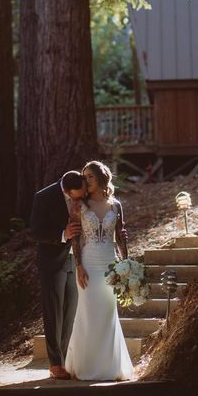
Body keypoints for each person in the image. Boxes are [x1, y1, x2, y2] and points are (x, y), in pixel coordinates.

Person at [65, 160, 134, 381]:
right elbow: (75, 237)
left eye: (90, 176)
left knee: (107, 315)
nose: (85, 181)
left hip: (110, 264)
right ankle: (85, 366)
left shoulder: (116, 205)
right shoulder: (79, 205)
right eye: (84, 177)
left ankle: (109, 367)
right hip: (88, 263)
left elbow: (121, 237)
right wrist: (78, 266)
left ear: (101, 177)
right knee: (88, 314)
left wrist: (127, 264)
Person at [30, 170, 86, 380]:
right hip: (52, 263)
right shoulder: (43, 197)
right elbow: (35, 231)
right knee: (54, 314)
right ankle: (55, 364)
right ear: (66, 189)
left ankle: (64, 360)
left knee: (69, 312)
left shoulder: (80, 192)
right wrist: (63, 234)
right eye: (76, 197)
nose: (79, 200)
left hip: (75, 261)